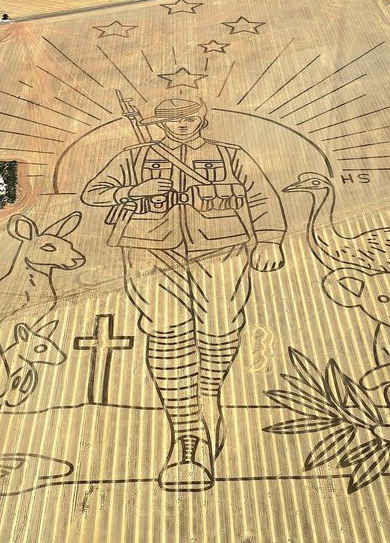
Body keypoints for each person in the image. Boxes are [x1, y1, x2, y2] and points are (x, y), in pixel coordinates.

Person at [82, 97, 286, 491]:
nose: (180, 125)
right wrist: (133, 190)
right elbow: (95, 192)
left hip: (221, 248)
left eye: (188, 118)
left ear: (201, 118)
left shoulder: (229, 154)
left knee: (221, 329)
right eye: (171, 119)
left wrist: (269, 238)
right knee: (166, 333)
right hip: (151, 251)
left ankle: (209, 394)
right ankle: (186, 435)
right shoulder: (135, 156)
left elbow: (260, 194)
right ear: (159, 123)